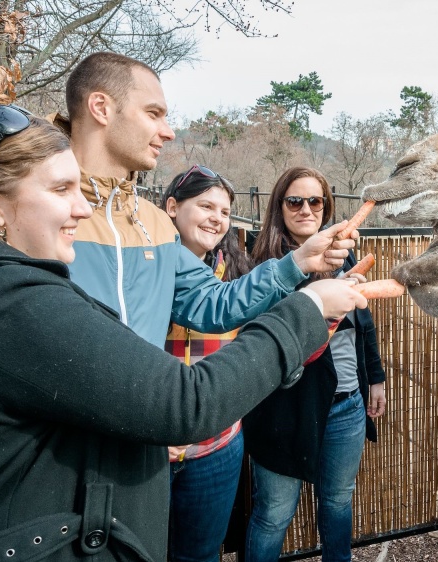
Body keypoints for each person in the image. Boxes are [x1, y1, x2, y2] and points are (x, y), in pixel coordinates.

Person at [0, 51, 356, 521]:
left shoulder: (150, 222)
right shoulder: (32, 220)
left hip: (135, 464)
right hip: (45, 478)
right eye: (154, 113)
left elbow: (211, 305)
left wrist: (295, 264)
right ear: (101, 107)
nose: (168, 130)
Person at [243, 167, 388, 562]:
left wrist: (374, 377)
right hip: (286, 410)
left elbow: (363, 320)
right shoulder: (264, 264)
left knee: (338, 501)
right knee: (274, 514)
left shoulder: (344, 254)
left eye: (315, 201)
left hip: (346, 404)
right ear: (280, 206)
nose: (306, 209)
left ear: (326, 206)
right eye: (295, 201)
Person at [159, 165, 254, 562]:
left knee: (200, 554)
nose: (217, 217)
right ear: (171, 207)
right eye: (205, 205)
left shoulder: (235, 274)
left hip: (217, 446)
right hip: (149, 448)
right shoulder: (141, 269)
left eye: (224, 211)